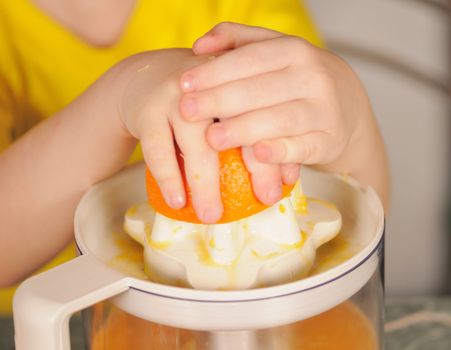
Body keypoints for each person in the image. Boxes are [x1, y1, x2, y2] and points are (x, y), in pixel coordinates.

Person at [0, 0, 389, 312]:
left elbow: (353, 218)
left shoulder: (247, 9)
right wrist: (115, 102)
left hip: (270, 320)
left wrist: (352, 124)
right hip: (76, 320)